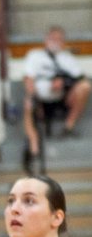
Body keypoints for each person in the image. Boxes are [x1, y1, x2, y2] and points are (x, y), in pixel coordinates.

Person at [22, 25, 91, 173]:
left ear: (63, 41)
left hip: (62, 98)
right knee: (28, 103)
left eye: (59, 39)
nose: (55, 41)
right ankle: (34, 145)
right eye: (52, 38)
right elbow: (28, 79)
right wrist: (34, 97)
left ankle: (68, 126)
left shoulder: (68, 59)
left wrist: (63, 82)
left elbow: (80, 78)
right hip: (40, 96)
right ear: (46, 39)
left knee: (85, 86)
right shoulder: (35, 55)